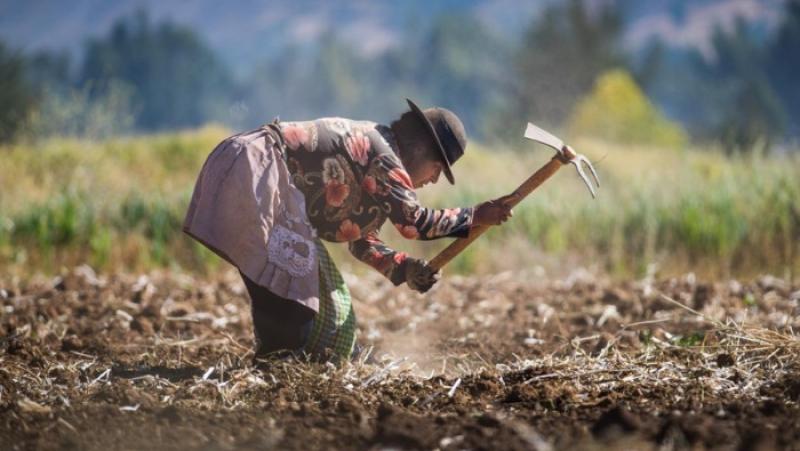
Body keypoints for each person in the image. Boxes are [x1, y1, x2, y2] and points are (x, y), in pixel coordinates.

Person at [183, 99, 513, 362]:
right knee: (291, 296)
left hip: (245, 167)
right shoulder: (385, 156)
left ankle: (284, 365)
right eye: (438, 168)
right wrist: (476, 215)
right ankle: (275, 370)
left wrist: (406, 268)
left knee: (308, 299)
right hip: (256, 171)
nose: (434, 179)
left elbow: (361, 240)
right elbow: (415, 224)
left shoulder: (377, 158)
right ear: (419, 148)